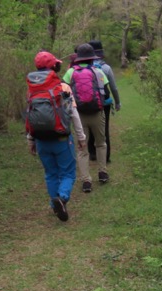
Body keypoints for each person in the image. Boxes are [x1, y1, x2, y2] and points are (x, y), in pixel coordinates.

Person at [26, 51, 87, 221]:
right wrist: (81, 137)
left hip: (40, 139)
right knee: (68, 173)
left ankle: (56, 205)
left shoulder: (32, 90)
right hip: (61, 139)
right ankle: (62, 198)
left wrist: (30, 140)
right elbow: (73, 114)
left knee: (51, 173)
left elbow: (30, 116)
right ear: (55, 66)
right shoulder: (63, 87)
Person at [62, 43, 108, 193]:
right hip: (97, 113)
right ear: (91, 59)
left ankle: (86, 181)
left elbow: (63, 94)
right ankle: (102, 172)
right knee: (100, 144)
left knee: (82, 148)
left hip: (79, 115)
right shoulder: (98, 72)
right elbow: (106, 94)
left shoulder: (70, 73)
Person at [88, 40, 121, 164]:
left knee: (90, 126)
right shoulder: (106, 68)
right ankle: (106, 156)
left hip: (87, 102)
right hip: (104, 103)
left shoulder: (81, 69)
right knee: (104, 128)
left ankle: (92, 153)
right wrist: (117, 102)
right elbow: (113, 87)